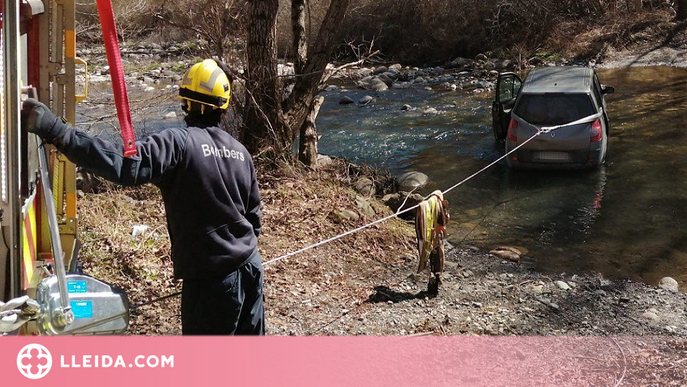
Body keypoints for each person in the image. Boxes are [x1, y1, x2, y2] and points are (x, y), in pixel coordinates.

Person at [21, 59, 264, 335]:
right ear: (224, 105)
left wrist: (58, 131)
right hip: (251, 271)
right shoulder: (241, 153)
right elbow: (253, 221)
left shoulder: (178, 144)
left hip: (212, 282)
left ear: (185, 102)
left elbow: (124, 167)